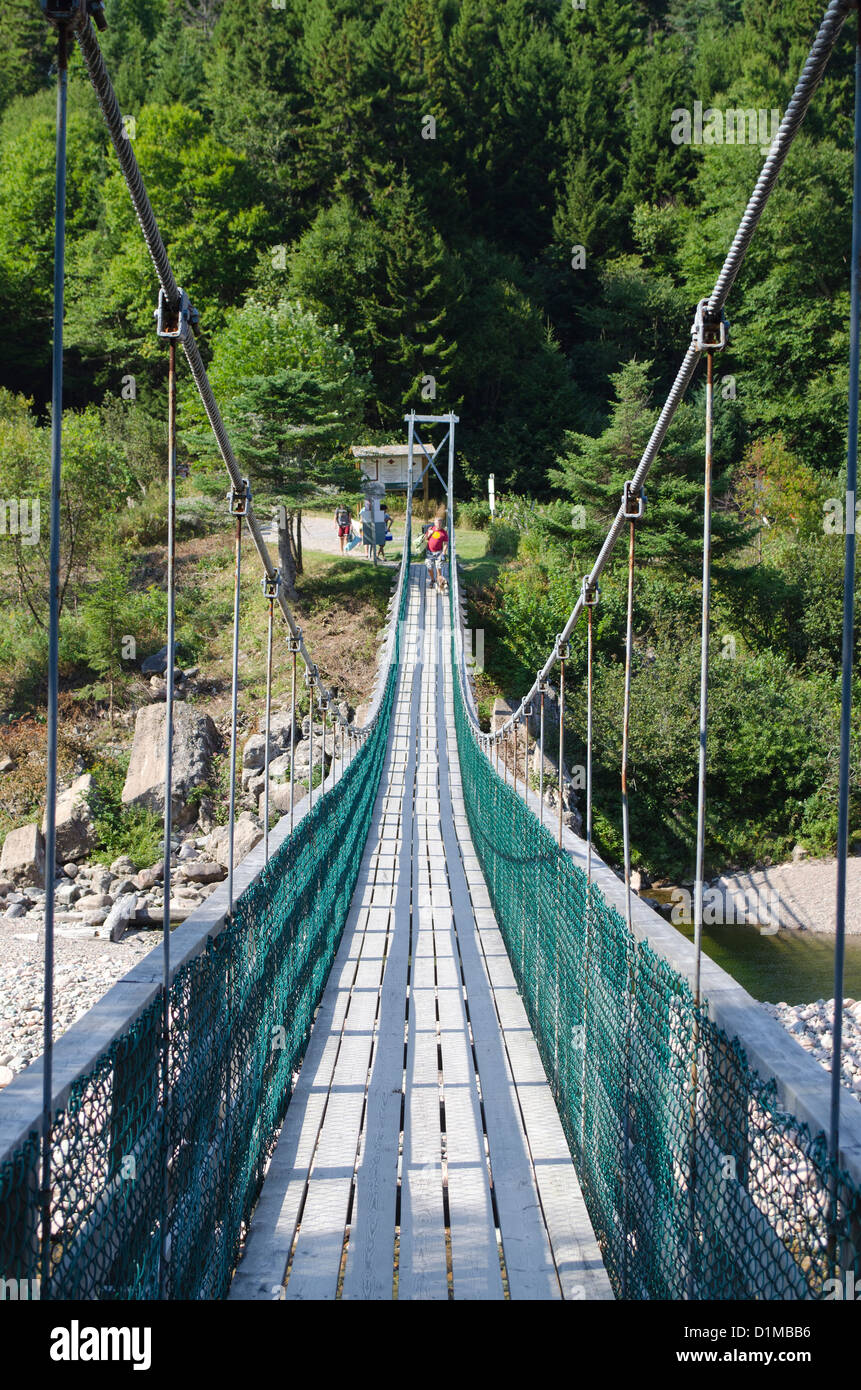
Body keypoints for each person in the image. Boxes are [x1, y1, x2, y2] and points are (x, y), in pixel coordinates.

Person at [425, 513, 448, 590]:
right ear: (434, 523)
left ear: (442, 524)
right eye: (437, 523)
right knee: (429, 568)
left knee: (438, 568)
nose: (439, 524)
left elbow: (445, 543)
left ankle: (439, 583)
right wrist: (429, 534)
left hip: (439, 553)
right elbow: (425, 539)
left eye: (440, 523)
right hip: (429, 552)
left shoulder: (444, 532)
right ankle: (432, 580)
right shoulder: (431, 529)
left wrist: (444, 553)